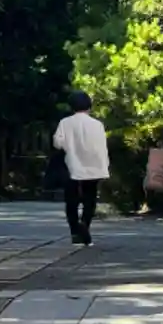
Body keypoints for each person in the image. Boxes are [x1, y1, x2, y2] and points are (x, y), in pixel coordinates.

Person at [52, 90, 109, 246]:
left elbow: (57, 143)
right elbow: (102, 147)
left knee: (71, 200)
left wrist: (69, 145)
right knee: (90, 199)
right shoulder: (97, 124)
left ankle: (75, 232)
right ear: (89, 106)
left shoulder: (65, 123)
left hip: (72, 165)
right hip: (93, 166)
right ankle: (85, 223)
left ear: (71, 106)